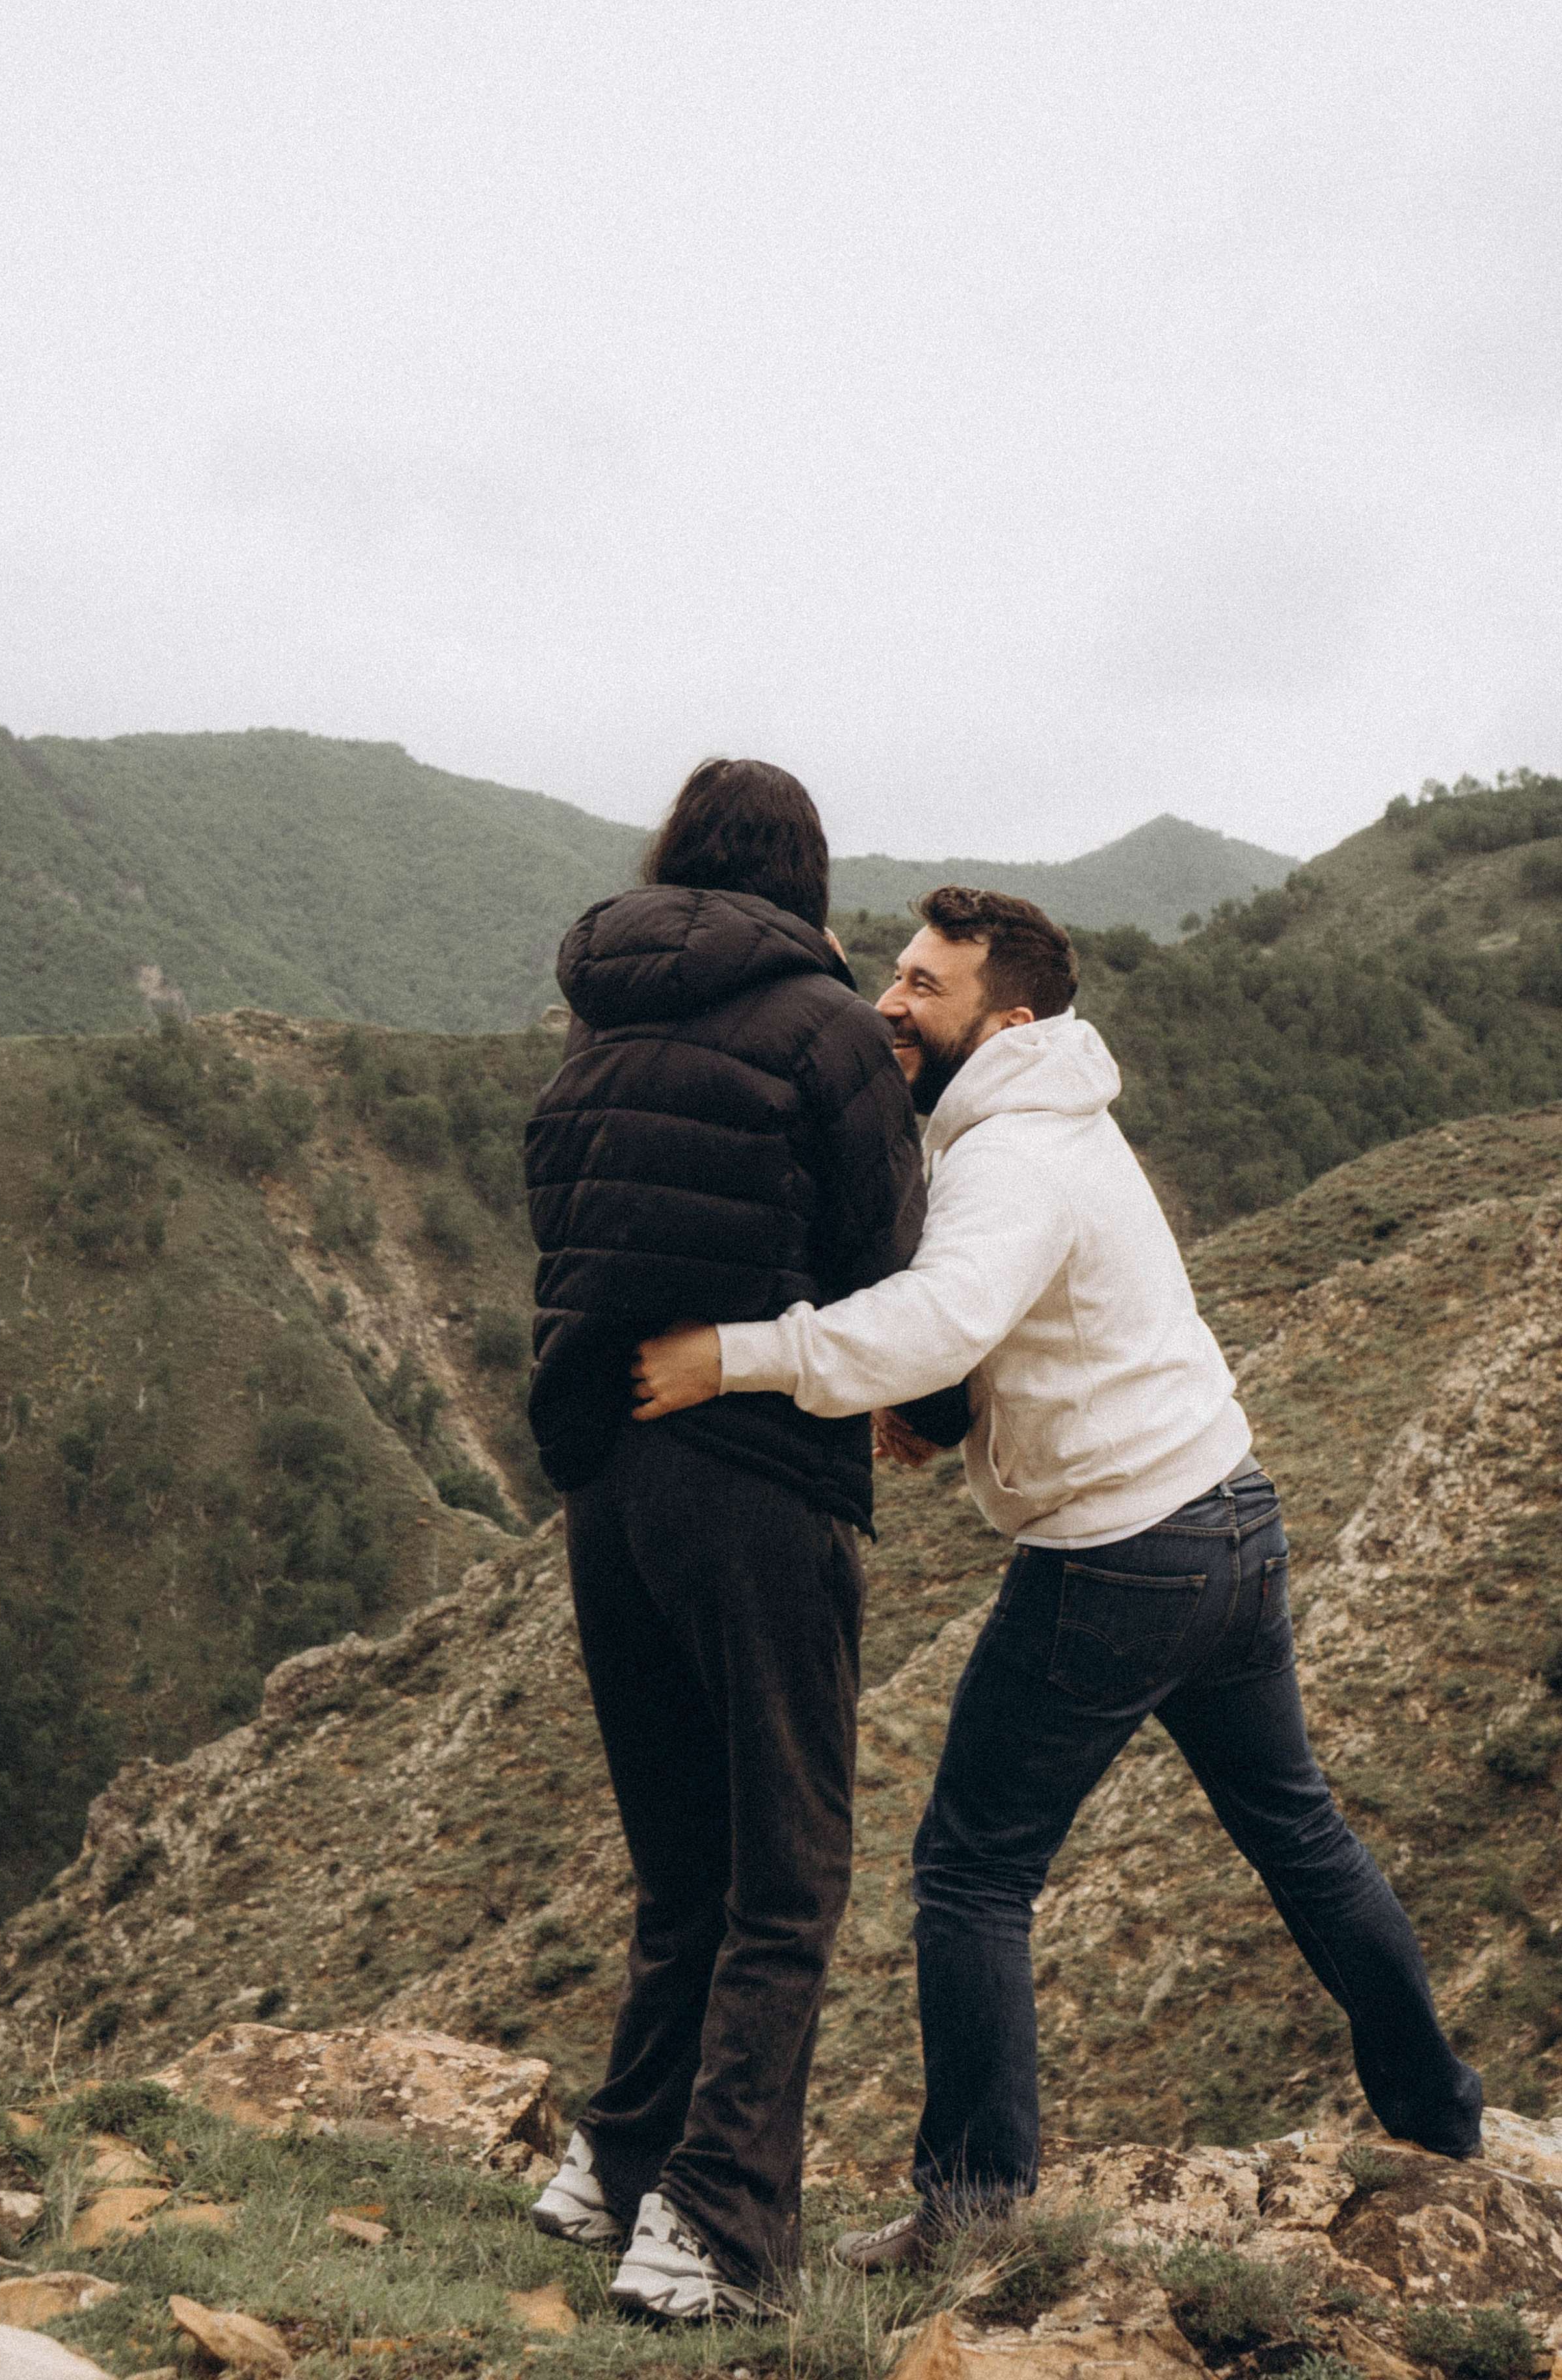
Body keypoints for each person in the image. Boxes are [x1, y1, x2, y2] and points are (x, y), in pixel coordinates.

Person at [632, 885, 1483, 2266]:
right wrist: (956, 1409)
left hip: (1119, 1556)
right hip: (1227, 1515)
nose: (887, 1005)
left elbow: (940, 1317)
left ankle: (968, 2213)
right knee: (1301, 1837)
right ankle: (1440, 2115)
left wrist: (730, 1354)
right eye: (891, 975)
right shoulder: (1058, 1121)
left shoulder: (1009, 1152)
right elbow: (1022, 1323)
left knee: (969, 1871)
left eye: (922, 987)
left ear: (1006, 1019)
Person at [524, 758, 933, 2319]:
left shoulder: (598, 1015)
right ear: (807, 884)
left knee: (680, 1851)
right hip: (759, 1472)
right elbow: (887, 1257)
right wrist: (932, 1417)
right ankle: (711, 2219)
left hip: (605, 1471)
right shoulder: (826, 1026)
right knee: (789, 1864)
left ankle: (613, 2163)